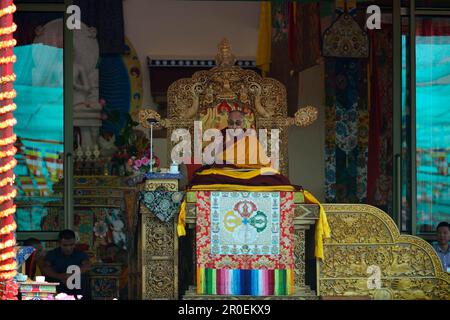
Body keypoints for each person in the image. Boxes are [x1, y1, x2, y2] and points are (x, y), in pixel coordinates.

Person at [41, 229, 91, 299]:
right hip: (58, 284)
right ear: (59, 243)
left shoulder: (80, 254)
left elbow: (87, 266)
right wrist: (60, 276)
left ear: (75, 243)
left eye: (71, 245)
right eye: (65, 245)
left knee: (82, 279)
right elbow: (45, 268)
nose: (68, 248)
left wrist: (70, 276)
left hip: (76, 286)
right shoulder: (52, 254)